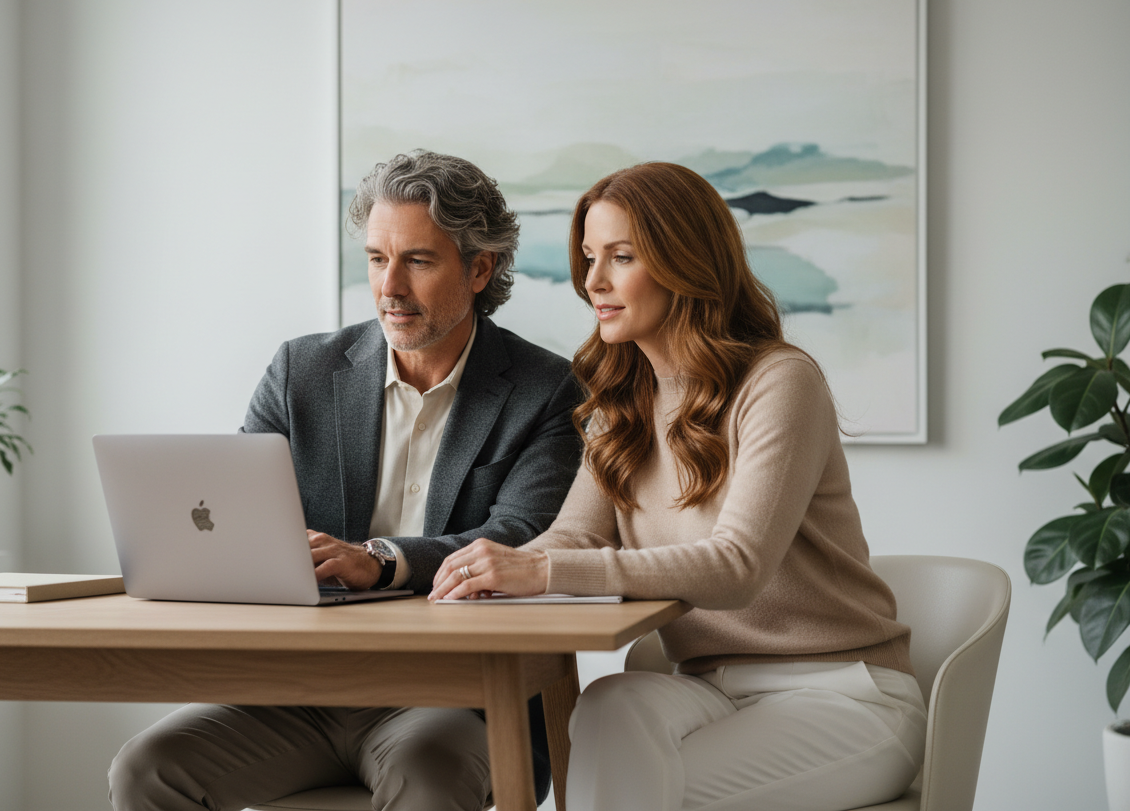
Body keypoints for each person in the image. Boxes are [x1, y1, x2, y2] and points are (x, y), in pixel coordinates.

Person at [430, 162, 927, 811]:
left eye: (621, 256)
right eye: (588, 257)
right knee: (611, 705)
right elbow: (576, 534)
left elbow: (738, 567)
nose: (594, 281)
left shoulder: (779, 383)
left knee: (631, 786)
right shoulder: (621, 401)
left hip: (844, 694)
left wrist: (547, 570)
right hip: (706, 688)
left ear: (685, 262)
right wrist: (502, 572)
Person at [108, 151, 582, 811]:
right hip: (303, 691)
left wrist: (381, 562)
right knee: (147, 769)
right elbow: (242, 516)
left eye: (417, 260)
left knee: (430, 775)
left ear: (480, 268)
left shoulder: (546, 390)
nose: (389, 286)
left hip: (455, 697)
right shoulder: (300, 371)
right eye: (375, 258)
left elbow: (518, 540)